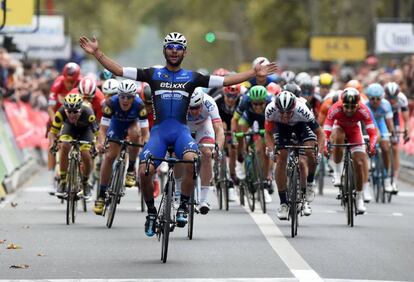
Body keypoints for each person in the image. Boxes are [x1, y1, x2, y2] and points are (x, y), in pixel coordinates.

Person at [79, 32, 277, 236]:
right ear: (164, 50)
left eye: (179, 47)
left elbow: (225, 80)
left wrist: (253, 73)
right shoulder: (152, 75)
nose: (174, 51)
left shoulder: (192, 77)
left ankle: (183, 206)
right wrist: (97, 53)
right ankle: (151, 213)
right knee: (143, 172)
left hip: (181, 133)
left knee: (192, 161)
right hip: (159, 133)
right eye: (170, 47)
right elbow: (119, 70)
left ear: (184, 52)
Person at [93, 79, 150, 215]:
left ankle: (131, 169)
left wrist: (146, 144)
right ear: (118, 96)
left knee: (135, 134)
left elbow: (145, 132)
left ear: (133, 97)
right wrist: (100, 142)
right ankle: (101, 195)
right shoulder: (110, 103)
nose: (125, 100)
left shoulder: (139, 105)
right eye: (122, 96)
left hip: (132, 124)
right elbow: (102, 129)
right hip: (116, 126)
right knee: (110, 156)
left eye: (129, 97)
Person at [265, 91, 324, 219]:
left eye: (288, 112)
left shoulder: (302, 110)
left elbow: (320, 134)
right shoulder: (270, 110)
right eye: (282, 112)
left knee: (310, 150)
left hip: (301, 125)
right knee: (281, 158)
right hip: (281, 128)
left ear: (294, 107)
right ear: (276, 108)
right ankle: (283, 203)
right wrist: (271, 150)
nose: (285, 115)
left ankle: (309, 183)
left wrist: (319, 152)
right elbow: (268, 133)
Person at [323, 87, 378, 214]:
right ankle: (337, 172)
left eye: (352, 107)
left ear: (358, 105)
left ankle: (359, 198)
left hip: (354, 131)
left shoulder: (364, 110)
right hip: (339, 128)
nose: (348, 110)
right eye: (346, 106)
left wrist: (372, 146)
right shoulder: (335, 108)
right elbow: (326, 132)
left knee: (359, 163)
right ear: (342, 104)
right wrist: (325, 146)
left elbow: (373, 134)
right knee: (338, 137)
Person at [183, 87, 224, 214]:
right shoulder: (181, 104)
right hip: (184, 126)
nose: (194, 111)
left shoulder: (209, 102)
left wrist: (218, 148)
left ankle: (203, 200)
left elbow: (219, 129)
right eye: (192, 108)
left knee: (207, 153)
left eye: (197, 107)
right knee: (178, 154)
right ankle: (178, 193)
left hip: (203, 126)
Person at [48, 93, 98, 199]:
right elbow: (52, 133)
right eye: (69, 111)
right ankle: (62, 181)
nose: (71, 114)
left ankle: (85, 182)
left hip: (86, 131)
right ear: (65, 109)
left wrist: (96, 145)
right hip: (69, 129)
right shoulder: (60, 112)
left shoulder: (88, 112)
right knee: (65, 146)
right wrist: (53, 143)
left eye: (75, 112)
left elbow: (97, 133)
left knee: (86, 155)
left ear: (80, 110)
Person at [231, 85, 273, 203]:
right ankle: (241, 160)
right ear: (250, 102)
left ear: (265, 101)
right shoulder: (245, 100)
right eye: (255, 104)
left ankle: (264, 183)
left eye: (261, 104)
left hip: (265, 120)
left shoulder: (271, 102)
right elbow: (234, 120)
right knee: (241, 131)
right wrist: (235, 135)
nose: (258, 106)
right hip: (248, 118)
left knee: (262, 150)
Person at [47, 62, 82, 193]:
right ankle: (52, 177)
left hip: (76, 116)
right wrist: (55, 123)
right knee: (52, 142)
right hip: (58, 114)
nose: (69, 84)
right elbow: (50, 107)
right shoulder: (58, 83)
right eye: (67, 81)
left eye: (72, 81)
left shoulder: (82, 83)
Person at [211, 83, 243, 201]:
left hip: (233, 122)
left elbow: (242, 119)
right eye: (228, 96)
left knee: (233, 146)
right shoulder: (217, 99)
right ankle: (217, 168)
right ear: (224, 94)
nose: (230, 99)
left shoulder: (241, 101)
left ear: (238, 95)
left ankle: (232, 174)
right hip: (219, 120)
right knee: (222, 134)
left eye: (233, 97)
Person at [365, 83, 395, 195]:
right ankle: (369, 166)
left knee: (386, 148)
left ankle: (386, 177)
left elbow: (389, 122)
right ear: (368, 97)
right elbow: (363, 124)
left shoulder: (386, 105)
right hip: (370, 125)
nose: (375, 101)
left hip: (381, 124)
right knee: (366, 146)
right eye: (372, 98)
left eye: (378, 99)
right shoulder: (365, 105)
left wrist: (392, 133)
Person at [384, 81, 410, 193]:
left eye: (393, 97)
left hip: (394, 118)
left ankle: (394, 180)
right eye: (389, 97)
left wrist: (406, 131)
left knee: (394, 148)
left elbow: (406, 119)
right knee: (383, 142)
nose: (391, 100)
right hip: (383, 117)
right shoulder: (381, 98)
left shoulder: (402, 99)